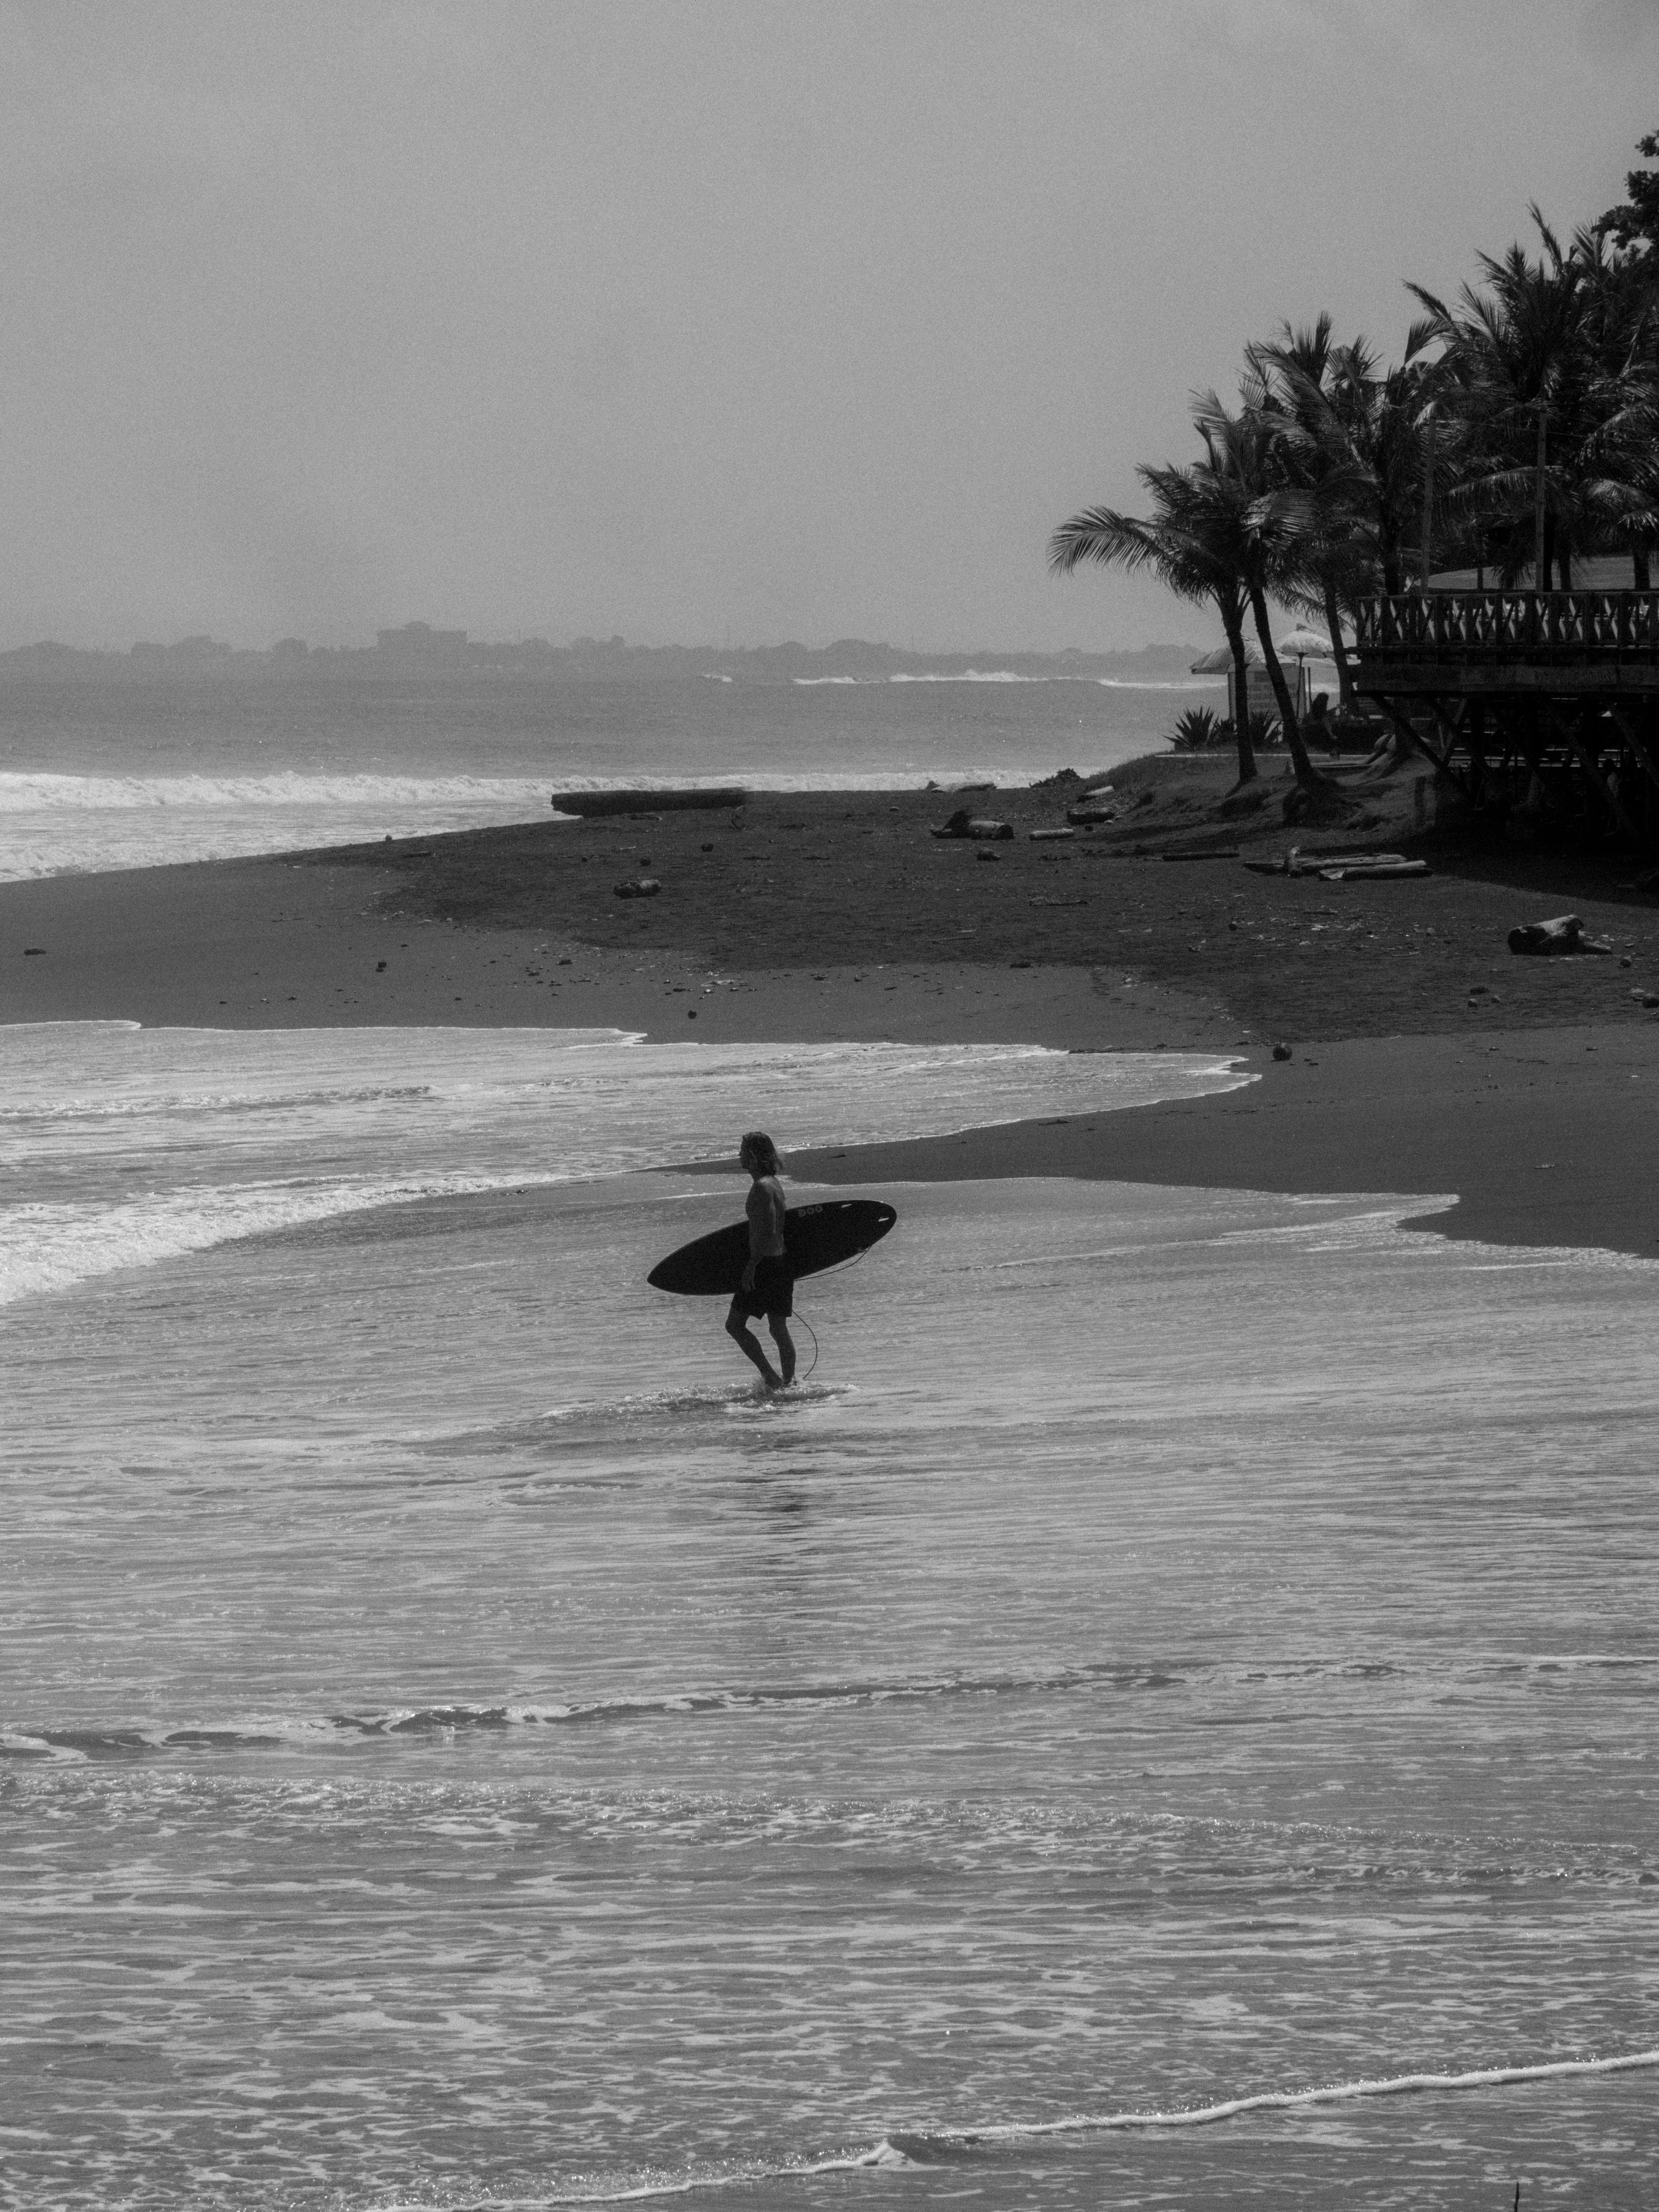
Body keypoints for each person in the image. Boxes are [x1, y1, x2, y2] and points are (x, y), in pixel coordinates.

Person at [725, 1130, 796, 1389]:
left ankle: (772, 1378)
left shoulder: (761, 1187)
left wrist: (751, 1267)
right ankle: (788, 1384)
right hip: (781, 1263)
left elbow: (768, 1229)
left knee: (735, 1325)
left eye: (743, 1150)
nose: (739, 1155)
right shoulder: (774, 1183)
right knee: (778, 1329)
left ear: (753, 1155)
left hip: (765, 1265)